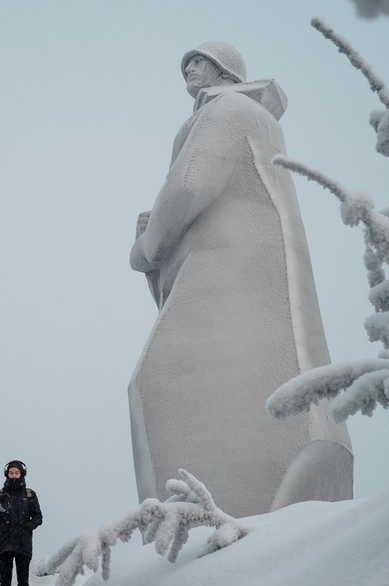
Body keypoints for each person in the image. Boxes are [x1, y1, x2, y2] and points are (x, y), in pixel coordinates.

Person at [127, 41, 353, 517]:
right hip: (250, 275)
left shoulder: (227, 110)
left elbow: (190, 183)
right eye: (186, 61)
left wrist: (148, 247)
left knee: (159, 381)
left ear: (226, 71)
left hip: (228, 278)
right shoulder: (259, 121)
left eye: (200, 60)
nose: (190, 67)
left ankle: (200, 530)